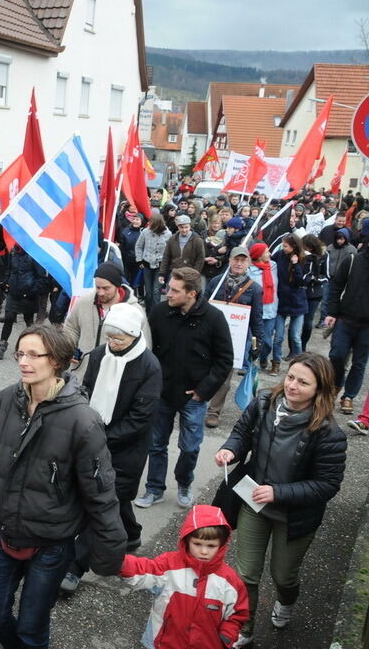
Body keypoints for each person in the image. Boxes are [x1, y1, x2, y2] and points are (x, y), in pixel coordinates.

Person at [0, 323, 126, 649]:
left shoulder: (83, 421)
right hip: (4, 535)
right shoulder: (4, 401)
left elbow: (101, 493)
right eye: (20, 354)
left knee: (32, 628)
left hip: (50, 545)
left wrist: (110, 550)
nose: (23, 362)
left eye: (33, 355)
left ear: (56, 360)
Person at [213, 353, 347, 647]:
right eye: (290, 377)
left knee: (283, 575)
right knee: (246, 573)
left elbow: (327, 485)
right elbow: (242, 433)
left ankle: (286, 601)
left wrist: (279, 492)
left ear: (320, 388)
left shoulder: (329, 433)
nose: (292, 385)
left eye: (303, 382)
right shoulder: (264, 402)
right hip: (254, 503)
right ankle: (245, 627)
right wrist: (230, 450)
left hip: (295, 516)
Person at [60, 303, 161, 595]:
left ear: (134, 335)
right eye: (110, 337)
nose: (113, 343)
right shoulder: (99, 354)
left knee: (104, 502)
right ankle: (131, 533)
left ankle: (75, 566)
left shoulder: (149, 366)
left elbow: (141, 418)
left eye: (119, 338)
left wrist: (102, 438)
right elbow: (86, 390)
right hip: (93, 438)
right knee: (111, 499)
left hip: (126, 448)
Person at [137, 267, 233, 509]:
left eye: (174, 290)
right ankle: (154, 488)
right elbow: (146, 350)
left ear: (192, 293)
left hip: (194, 397)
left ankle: (184, 483)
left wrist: (203, 390)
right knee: (156, 444)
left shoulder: (214, 318)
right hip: (162, 392)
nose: (167, 293)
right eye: (168, 288)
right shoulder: (159, 312)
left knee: (190, 447)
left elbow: (225, 360)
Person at [119, 505, 248, 649]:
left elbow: (237, 613)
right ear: (186, 540)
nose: (204, 551)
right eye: (197, 544)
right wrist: (119, 562)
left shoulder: (230, 581)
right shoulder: (169, 565)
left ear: (222, 545)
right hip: (164, 642)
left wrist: (227, 636)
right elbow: (145, 569)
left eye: (211, 546)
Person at [204, 247, 264, 428]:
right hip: (209, 335)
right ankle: (195, 402)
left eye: (243, 260)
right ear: (229, 260)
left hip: (234, 341)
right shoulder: (216, 282)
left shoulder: (254, 289)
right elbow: (203, 305)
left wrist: (258, 342)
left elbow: (257, 319)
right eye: (236, 259)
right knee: (201, 369)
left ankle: (213, 411)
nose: (238, 263)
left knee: (224, 377)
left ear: (249, 263)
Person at [64, 262, 151, 379]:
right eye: (98, 287)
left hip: (113, 379)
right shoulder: (83, 302)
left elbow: (144, 347)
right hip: (80, 375)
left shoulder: (135, 311)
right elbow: (71, 327)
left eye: (106, 288)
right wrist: (68, 348)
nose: (100, 292)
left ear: (117, 286)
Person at [325, 235, 369, 415]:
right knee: (337, 355)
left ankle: (348, 396)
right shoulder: (352, 260)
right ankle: (335, 387)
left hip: (367, 326)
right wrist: (332, 312)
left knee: (359, 363)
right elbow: (336, 287)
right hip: (345, 319)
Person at [0, 244, 48, 360]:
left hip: (28, 295)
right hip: (13, 293)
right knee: (9, 318)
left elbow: (41, 278)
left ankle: (33, 347)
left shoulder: (34, 254)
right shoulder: (13, 252)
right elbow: (9, 269)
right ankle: (1, 347)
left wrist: (32, 292)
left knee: (29, 321)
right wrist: (6, 283)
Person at [271, 234, 307, 365]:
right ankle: (276, 362)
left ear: (293, 246)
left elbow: (300, 281)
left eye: (285, 246)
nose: (283, 248)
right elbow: (270, 263)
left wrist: (296, 264)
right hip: (281, 301)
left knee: (295, 336)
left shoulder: (303, 259)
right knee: (278, 337)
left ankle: (300, 362)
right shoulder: (279, 255)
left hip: (297, 302)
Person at [248, 243, 279, 373]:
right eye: (266, 252)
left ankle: (263, 357)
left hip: (270, 310)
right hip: (255, 311)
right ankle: (249, 362)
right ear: (259, 255)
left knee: (267, 342)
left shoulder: (273, 266)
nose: (269, 254)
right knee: (252, 340)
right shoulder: (249, 270)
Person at [136, 213, 172, 312]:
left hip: (160, 266)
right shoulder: (145, 232)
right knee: (148, 292)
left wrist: (167, 264)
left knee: (156, 291)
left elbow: (169, 251)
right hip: (147, 264)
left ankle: (155, 314)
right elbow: (139, 246)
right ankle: (148, 313)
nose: (149, 224)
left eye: (151, 223)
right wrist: (139, 260)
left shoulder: (168, 234)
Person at [159, 215, 206, 290]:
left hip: (189, 275)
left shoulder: (197, 240)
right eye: (181, 227)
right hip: (175, 272)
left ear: (190, 226)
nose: (184, 230)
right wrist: (162, 273)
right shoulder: (172, 238)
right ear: (178, 227)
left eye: (186, 227)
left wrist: (194, 273)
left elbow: (200, 259)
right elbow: (166, 256)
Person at [300, 234, 328, 350]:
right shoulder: (302, 255)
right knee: (296, 322)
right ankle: (294, 349)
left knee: (308, 321)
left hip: (314, 293)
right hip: (300, 291)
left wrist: (314, 280)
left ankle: (303, 345)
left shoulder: (324, 255)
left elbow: (326, 276)